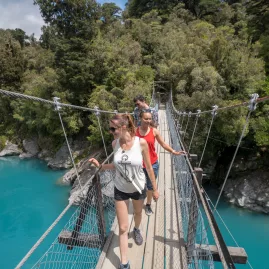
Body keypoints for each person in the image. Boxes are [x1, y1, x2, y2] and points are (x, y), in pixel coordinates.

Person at [89, 113, 159, 269]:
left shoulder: (141, 143)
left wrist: (154, 189)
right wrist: (100, 166)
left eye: (113, 129)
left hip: (138, 187)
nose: (111, 131)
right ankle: (124, 263)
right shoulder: (115, 144)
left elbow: (148, 167)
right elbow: (115, 166)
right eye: (110, 129)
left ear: (123, 127)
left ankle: (137, 229)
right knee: (122, 228)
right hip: (120, 188)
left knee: (138, 213)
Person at [135, 110, 186, 216]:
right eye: (146, 118)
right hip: (138, 165)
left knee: (150, 186)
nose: (148, 121)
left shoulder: (154, 131)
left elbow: (163, 144)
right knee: (139, 186)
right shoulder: (134, 132)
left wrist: (173, 151)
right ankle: (139, 203)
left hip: (152, 163)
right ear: (140, 118)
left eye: (150, 119)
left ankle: (148, 204)